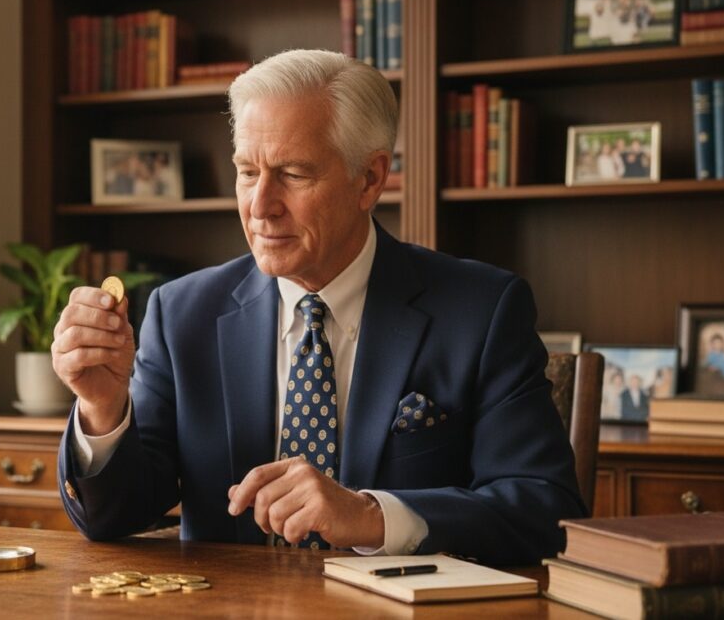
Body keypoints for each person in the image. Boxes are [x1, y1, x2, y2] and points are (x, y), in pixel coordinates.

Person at [51, 50, 584, 566]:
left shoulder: (482, 311)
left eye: (294, 174)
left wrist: (372, 515)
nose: (260, 206)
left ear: (370, 179)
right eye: (247, 172)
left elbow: (545, 511)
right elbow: (113, 519)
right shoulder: (182, 312)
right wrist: (102, 409)